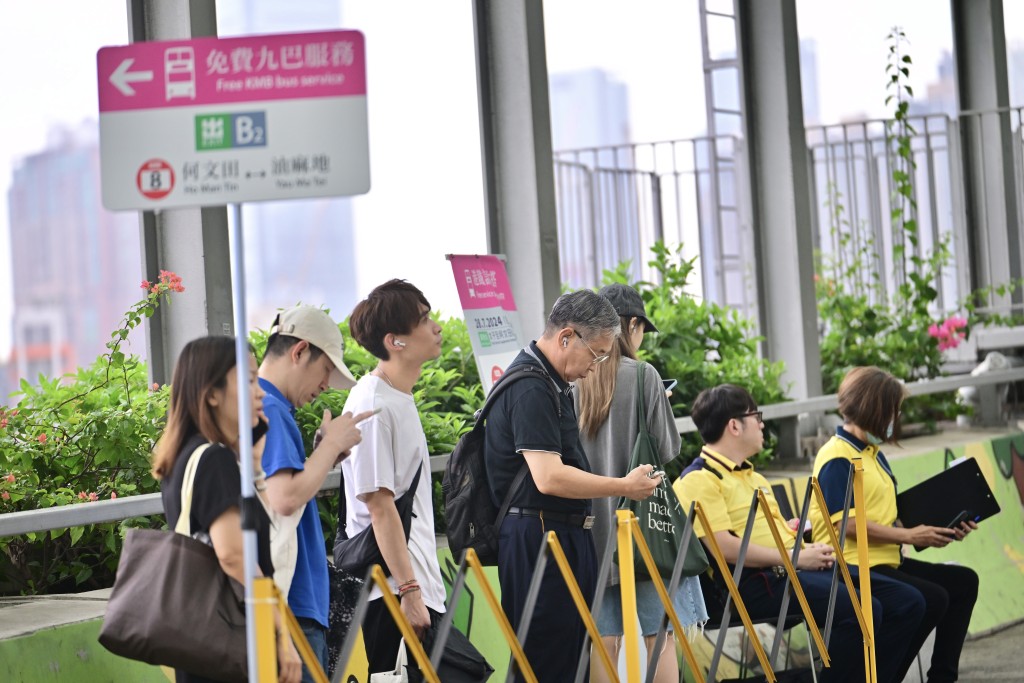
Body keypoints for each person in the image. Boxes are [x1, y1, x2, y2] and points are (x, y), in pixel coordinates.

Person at [675, 384, 926, 683]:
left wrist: (800, 541)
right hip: (755, 583)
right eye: (757, 416)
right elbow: (726, 549)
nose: (762, 424)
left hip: (791, 569)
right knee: (861, 609)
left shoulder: (753, 476)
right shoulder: (699, 480)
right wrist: (796, 558)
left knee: (907, 600)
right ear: (734, 426)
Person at [484, 289, 662, 683]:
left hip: (558, 535)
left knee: (569, 660)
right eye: (597, 354)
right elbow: (547, 476)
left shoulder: (551, 382)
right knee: (547, 663)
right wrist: (623, 485)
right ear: (566, 337)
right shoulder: (531, 387)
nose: (596, 367)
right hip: (539, 537)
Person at [811, 366, 979, 683]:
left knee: (963, 582)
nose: (896, 416)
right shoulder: (837, 456)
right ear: (876, 409)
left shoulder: (873, 453)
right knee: (929, 599)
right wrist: (907, 534)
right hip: (852, 566)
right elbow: (845, 523)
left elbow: (886, 515)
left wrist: (941, 528)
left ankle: (941, 677)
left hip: (884, 560)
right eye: (894, 409)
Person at [574, 284, 707, 683]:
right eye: (641, 328)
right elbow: (666, 449)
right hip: (643, 526)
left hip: (590, 530)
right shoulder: (644, 375)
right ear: (630, 324)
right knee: (658, 633)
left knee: (604, 636)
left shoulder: (573, 380)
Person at [151, 336, 302, 683]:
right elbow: (234, 556)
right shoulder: (214, 461)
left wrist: (253, 436)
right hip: (233, 647)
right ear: (212, 393)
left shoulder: (186, 458)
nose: (260, 391)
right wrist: (281, 632)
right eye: (248, 380)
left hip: (203, 648)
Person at [258, 306, 372, 681]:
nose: (326, 385)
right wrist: (328, 449)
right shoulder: (271, 408)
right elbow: (285, 498)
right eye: (326, 370)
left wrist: (324, 454)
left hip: (290, 602)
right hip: (293, 606)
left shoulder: (269, 408)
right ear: (299, 351)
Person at [340, 280, 448, 673]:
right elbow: (379, 506)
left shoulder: (396, 396)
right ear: (395, 341)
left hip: (411, 585)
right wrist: (409, 590)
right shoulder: (373, 404)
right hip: (391, 592)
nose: (435, 327)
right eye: (423, 319)